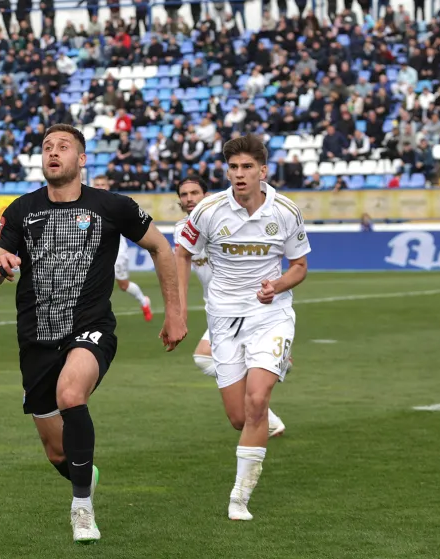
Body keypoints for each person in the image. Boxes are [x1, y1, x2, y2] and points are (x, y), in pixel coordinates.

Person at [0, 124, 186, 543]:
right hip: (35, 338)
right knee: (58, 452)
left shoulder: (113, 206)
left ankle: (82, 511)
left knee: (71, 394)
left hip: (90, 330)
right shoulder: (20, 210)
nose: (53, 153)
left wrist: (174, 313)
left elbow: (162, 248)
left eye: (63, 147)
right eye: (47, 147)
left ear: (82, 159)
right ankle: (83, 473)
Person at [175, 135, 309, 521]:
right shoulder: (209, 210)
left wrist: (278, 285)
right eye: (233, 167)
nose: (239, 174)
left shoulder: (285, 211)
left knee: (257, 402)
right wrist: (179, 311)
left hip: (271, 315)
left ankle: (240, 498)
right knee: (239, 417)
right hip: (223, 320)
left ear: (262, 171)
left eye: (247, 167)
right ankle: (268, 388)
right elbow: (181, 254)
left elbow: (299, 266)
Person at [173, 177, 285, 437]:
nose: (189, 198)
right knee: (211, 359)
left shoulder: (226, 219)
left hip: (248, 305)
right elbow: (183, 265)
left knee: (204, 357)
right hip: (219, 310)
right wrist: (179, 307)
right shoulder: (182, 230)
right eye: (184, 194)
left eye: (194, 192)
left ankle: (262, 397)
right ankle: (263, 404)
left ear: (207, 195)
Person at [91, 174, 153, 321]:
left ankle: (144, 301)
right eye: (97, 184)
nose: (100, 187)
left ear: (108, 186)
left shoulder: (116, 203)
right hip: (96, 251)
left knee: (123, 285)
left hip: (117, 251)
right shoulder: (87, 204)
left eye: (103, 184)